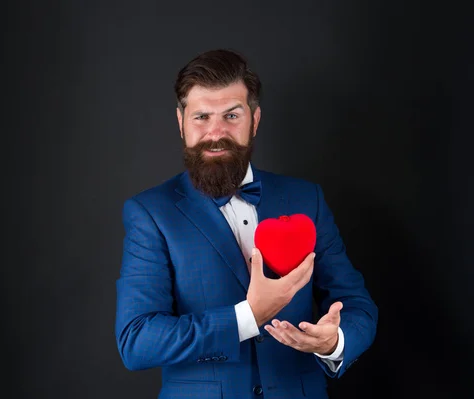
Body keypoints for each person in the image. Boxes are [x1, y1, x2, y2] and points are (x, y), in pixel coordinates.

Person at [115, 49, 378, 399]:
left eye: (231, 115)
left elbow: (357, 305)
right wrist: (248, 316)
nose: (216, 132)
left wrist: (335, 341)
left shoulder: (306, 199)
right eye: (201, 117)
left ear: (254, 120)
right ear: (180, 122)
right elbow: (137, 340)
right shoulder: (150, 213)